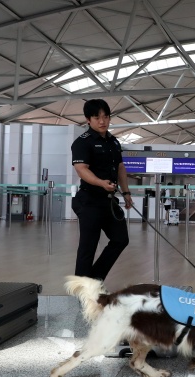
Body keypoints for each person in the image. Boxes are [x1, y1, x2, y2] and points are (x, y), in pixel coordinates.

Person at [71, 99, 133, 282]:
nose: (102, 121)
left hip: (109, 201)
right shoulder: (82, 143)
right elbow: (82, 169)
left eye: (105, 116)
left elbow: (120, 167)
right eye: (97, 117)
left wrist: (127, 192)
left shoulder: (113, 142)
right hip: (89, 200)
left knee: (121, 239)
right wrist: (100, 182)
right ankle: (82, 291)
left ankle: (93, 280)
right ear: (88, 119)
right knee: (87, 247)